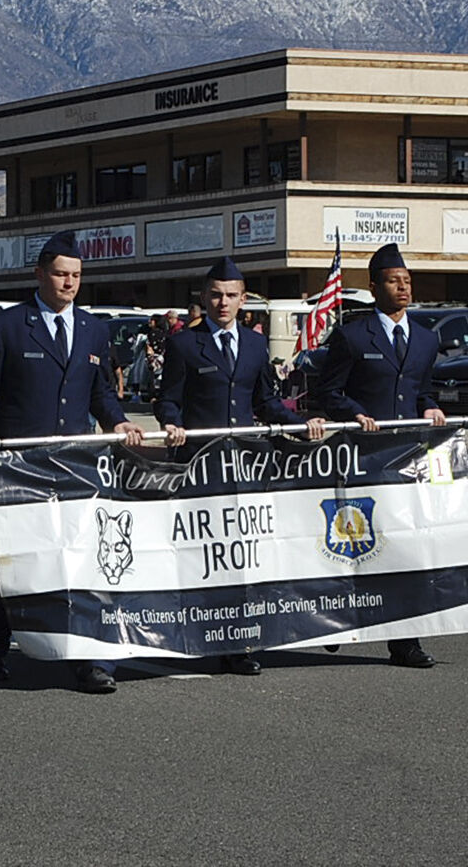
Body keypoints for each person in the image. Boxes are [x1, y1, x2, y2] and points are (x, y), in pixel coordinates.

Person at [0, 230, 144, 694]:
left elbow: (100, 389)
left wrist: (118, 422)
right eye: (61, 274)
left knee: (81, 558)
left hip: (75, 459)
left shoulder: (92, 328)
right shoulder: (8, 325)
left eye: (77, 276)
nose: (69, 283)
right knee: (16, 558)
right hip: (21, 461)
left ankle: (87, 658)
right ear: (40, 274)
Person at [157, 258, 326, 676]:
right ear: (203, 297)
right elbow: (168, 399)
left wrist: (299, 425)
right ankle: (194, 633)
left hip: (245, 463)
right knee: (202, 555)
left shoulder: (254, 344)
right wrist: (171, 424)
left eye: (231, 295)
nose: (223, 303)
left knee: (241, 555)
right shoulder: (183, 344)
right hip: (200, 464)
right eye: (215, 294)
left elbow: (265, 400)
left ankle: (238, 642)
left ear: (243, 298)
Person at [315, 242, 446, 670]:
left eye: (407, 281)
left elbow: (423, 388)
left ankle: (405, 641)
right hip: (362, 459)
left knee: (406, 548)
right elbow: (327, 393)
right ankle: (340, 620)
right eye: (394, 281)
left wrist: (430, 406)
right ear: (374, 287)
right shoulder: (352, 336)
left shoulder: (426, 338)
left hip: (407, 458)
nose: (403, 288)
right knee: (356, 547)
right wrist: (353, 413)